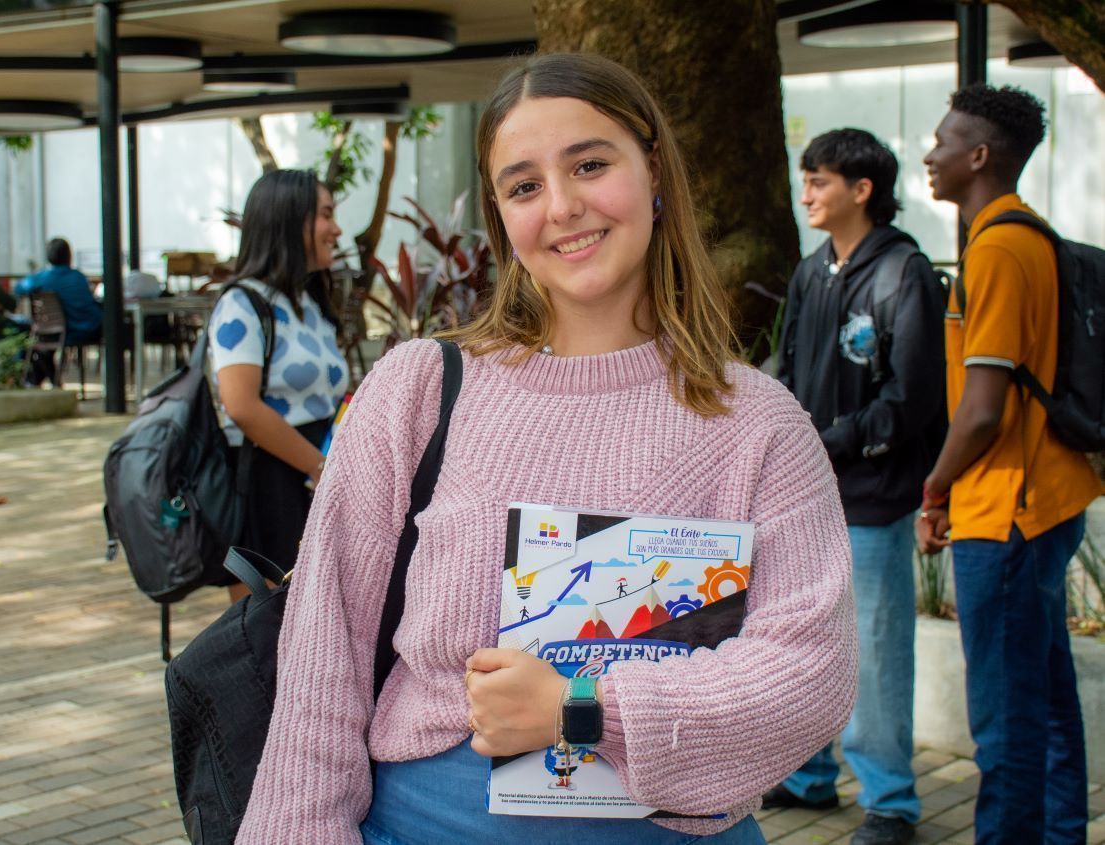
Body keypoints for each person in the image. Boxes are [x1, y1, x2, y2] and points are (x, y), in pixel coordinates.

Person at [235, 53, 856, 845]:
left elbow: (812, 671)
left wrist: (584, 703)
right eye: (524, 186)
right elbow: (325, 655)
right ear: (501, 216)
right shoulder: (419, 392)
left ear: (654, 171)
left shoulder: (758, 423)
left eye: (590, 164)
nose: (562, 207)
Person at [918, 84, 1103, 844]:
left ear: (980, 156)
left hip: (1007, 512)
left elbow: (984, 408)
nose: (930, 156)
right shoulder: (1036, 238)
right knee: (1048, 696)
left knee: (1004, 716)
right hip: (1053, 499)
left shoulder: (994, 248)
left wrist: (935, 489)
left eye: (943, 141)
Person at [770, 129, 945, 844]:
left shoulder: (905, 273)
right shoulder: (812, 272)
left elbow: (914, 401)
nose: (806, 194)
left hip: (873, 497)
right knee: (801, 636)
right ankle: (809, 774)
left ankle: (891, 801)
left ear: (861, 189)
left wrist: (827, 441)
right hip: (805, 497)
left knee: (875, 646)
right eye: (805, 180)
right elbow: (782, 373)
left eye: (819, 181)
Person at [206, 168, 349, 587]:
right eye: (325, 215)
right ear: (290, 219)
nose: (336, 229)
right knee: (272, 629)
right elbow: (242, 406)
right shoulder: (242, 304)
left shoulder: (309, 302)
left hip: (312, 479)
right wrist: (319, 466)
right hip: (272, 483)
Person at [15, 237, 103, 386]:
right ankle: (47, 383)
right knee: (42, 348)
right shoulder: (79, 277)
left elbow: (18, 288)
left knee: (35, 341)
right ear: (70, 256)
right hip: (88, 330)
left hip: (55, 331)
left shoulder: (42, 279)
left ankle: (38, 382)